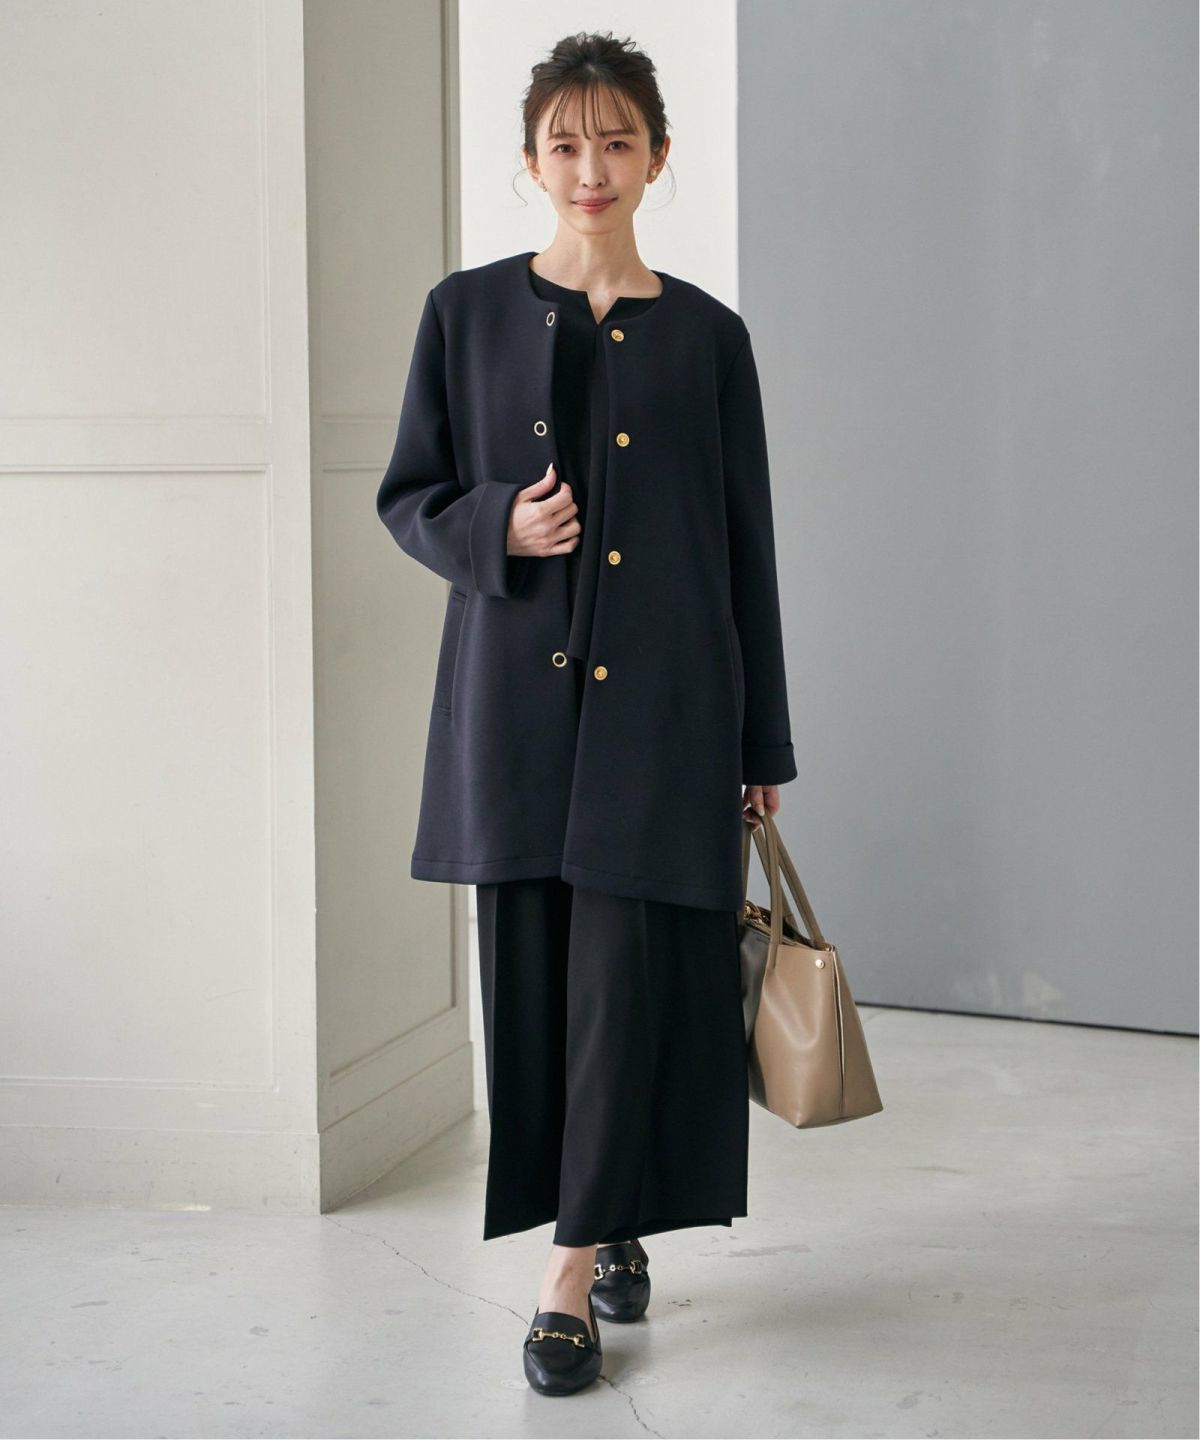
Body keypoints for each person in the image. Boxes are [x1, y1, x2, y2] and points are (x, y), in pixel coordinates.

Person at [376, 30, 796, 1397]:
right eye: (565, 143)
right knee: (541, 987)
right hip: (514, 718)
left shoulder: (710, 338)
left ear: (658, 156)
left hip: (667, 716)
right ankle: (606, 1218)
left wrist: (762, 746)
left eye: (617, 140)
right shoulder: (464, 314)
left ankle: (567, 1278)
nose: (591, 167)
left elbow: (745, 549)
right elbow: (409, 497)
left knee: (629, 985)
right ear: (530, 161)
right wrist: (498, 524)